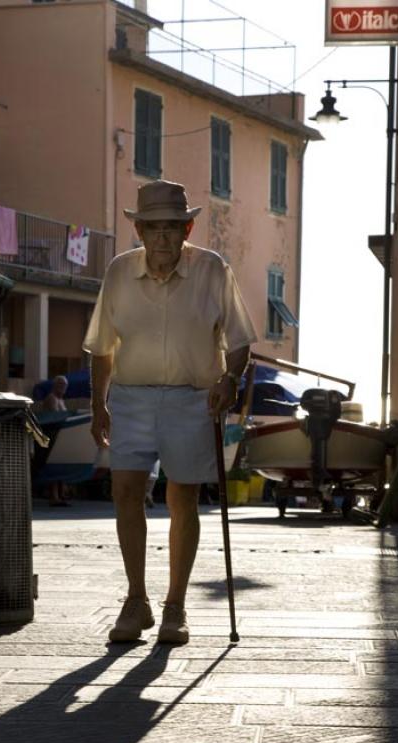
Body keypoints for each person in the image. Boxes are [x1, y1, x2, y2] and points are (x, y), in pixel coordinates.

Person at [83, 180, 257, 644]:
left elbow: (239, 340)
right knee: (125, 492)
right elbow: (102, 346)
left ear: (188, 228)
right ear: (138, 229)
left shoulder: (213, 270)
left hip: (190, 398)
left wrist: (229, 379)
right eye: (153, 227)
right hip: (132, 397)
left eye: (172, 227)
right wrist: (97, 404)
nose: (162, 236)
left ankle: (175, 607)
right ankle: (135, 600)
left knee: (182, 499)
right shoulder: (119, 272)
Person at [43, 375, 71, 507]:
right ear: (55, 385)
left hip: (61, 436)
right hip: (52, 436)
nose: (63, 388)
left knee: (60, 467)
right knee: (53, 466)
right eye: (60, 385)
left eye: (64, 385)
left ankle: (60, 495)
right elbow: (55, 417)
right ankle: (54, 496)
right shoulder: (52, 398)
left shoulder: (61, 400)